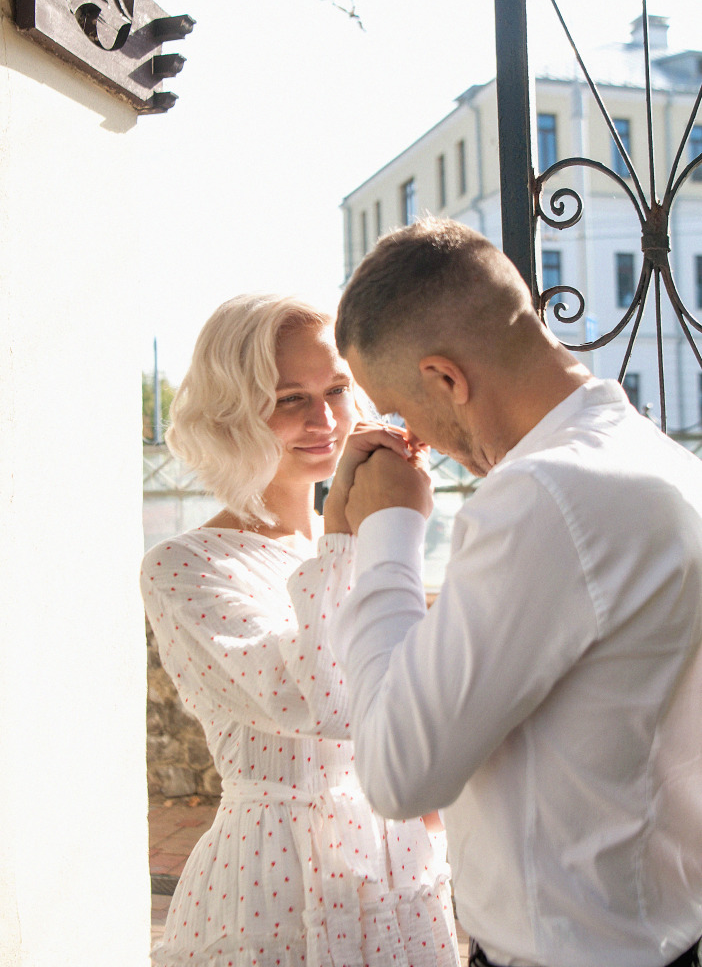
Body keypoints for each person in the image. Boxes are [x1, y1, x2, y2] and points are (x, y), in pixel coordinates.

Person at [325, 217, 702, 967]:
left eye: (400, 410)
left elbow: (399, 772)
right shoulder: (656, 457)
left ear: (445, 378)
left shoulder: (544, 496)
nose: (414, 440)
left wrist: (386, 531)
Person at [141, 293, 460, 967]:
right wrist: (350, 533)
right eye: (291, 398)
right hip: (270, 882)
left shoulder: (345, 552)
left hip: (396, 870)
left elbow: (408, 705)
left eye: (337, 389)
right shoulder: (183, 566)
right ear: (232, 415)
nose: (325, 419)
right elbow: (324, 702)